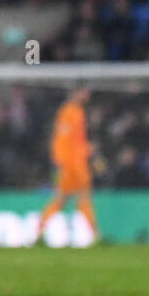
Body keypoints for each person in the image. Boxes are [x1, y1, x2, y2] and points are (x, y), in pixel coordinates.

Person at [36, 86, 99, 243]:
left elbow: (76, 141)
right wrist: (61, 162)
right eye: (85, 92)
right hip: (70, 165)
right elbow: (62, 141)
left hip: (78, 164)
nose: (87, 96)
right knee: (62, 199)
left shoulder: (77, 111)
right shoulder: (68, 112)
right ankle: (39, 232)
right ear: (77, 92)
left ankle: (95, 235)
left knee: (82, 199)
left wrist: (87, 149)